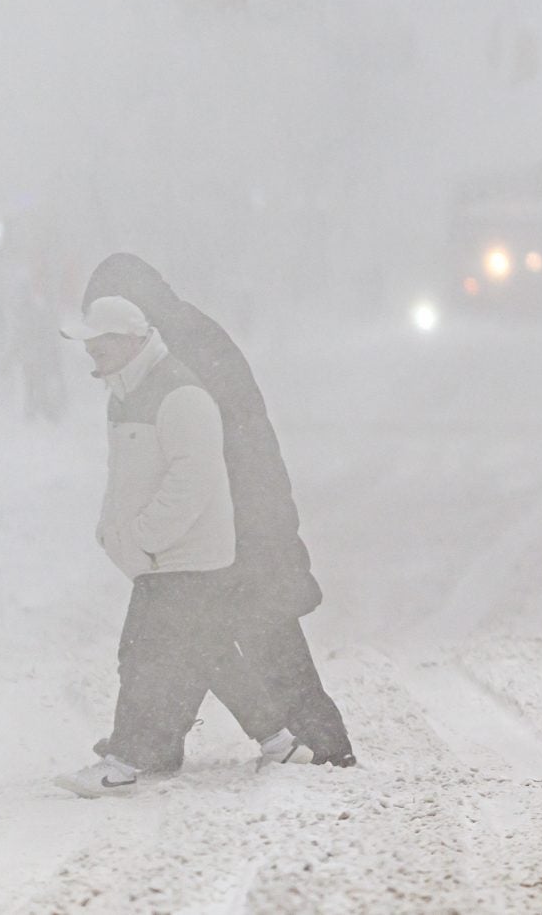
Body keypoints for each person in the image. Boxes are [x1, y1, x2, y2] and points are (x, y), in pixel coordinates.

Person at [82, 254, 356, 768]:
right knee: (182, 633)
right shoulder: (173, 342)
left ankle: (322, 744)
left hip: (242, 516)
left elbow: (218, 447)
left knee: (262, 634)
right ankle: (155, 741)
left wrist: (204, 521)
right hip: (225, 514)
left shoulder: (183, 351)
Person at [55, 295, 244, 796]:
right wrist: (108, 526)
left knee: (145, 657)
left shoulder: (179, 392)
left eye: (99, 343)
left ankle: (126, 760)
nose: (91, 353)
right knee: (207, 654)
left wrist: (143, 538)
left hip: (185, 555)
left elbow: (193, 478)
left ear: (130, 341)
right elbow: (125, 475)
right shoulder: (125, 392)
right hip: (163, 556)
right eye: (88, 345)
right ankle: (281, 740)